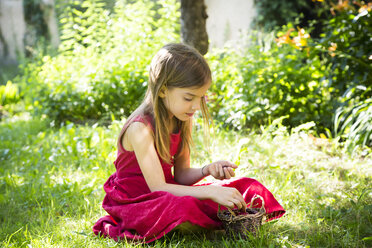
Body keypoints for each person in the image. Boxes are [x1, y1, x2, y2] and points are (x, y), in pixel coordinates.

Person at [93, 43, 285, 243]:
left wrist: (207, 170)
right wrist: (210, 191)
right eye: (188, 97)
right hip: (138, 202)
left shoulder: (181, 117)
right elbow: (158, 187)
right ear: (162, 90)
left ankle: (202, 223)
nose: (195, 106)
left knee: (247, 187)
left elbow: (181, 175)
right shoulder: (140, 129)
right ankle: (202, 224)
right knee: (184, 206)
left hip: (170, 192)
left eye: (200, 98)